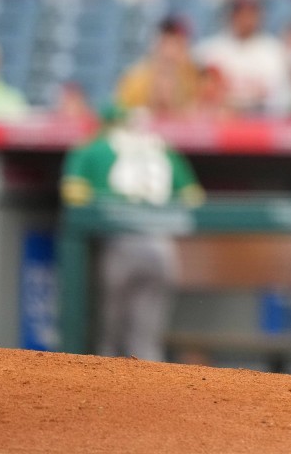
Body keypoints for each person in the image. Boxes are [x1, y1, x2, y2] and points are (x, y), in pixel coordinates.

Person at [60, 104, 204, 361]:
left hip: (120, 245)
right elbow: (193, 198)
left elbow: (73, 195)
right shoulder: (162, 148)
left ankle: (105, 396)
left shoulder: (94, 146)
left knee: (108, 339)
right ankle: (148, 398)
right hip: (161, 247)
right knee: (146, 342)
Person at [194, 0, 290, 115]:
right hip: (222, 117)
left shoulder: (274, 50)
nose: (246, 19)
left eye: (251, 14)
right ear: (231, 16)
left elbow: (280, 95)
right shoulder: (210, 50)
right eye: (241, 14)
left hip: (263, 116)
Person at [116, 16, 200, 117]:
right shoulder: (136, 78)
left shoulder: (194, 77)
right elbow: (120, 113)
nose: (170, 51)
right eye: (166, 43)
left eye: (177, 44)